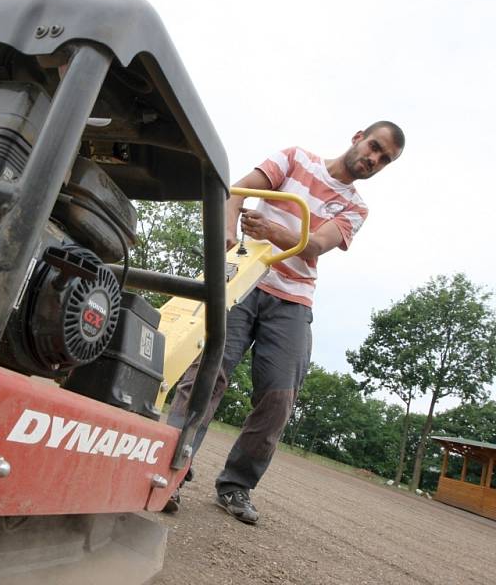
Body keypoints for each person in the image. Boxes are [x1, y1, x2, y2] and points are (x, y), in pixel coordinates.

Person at [165, 121, 405, 524]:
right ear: (358, 136)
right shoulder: (294, 159)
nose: (374, 159)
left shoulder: (356, 208)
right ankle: (170, 466)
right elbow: (236, 193)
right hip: (245, 278)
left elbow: (314, 246)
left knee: (279, 397)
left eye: (384, 160)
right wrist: (226, 233)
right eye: (375, 147)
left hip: (293, 300)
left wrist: (273, 229)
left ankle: (236, 485)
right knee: (208, 374)